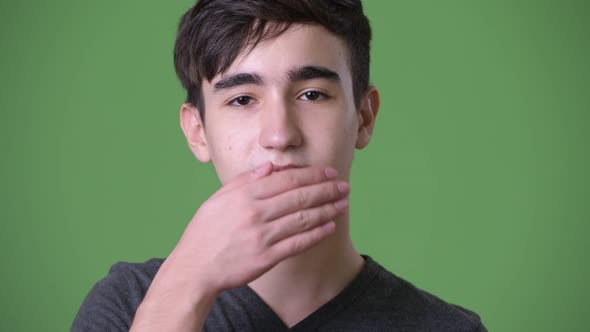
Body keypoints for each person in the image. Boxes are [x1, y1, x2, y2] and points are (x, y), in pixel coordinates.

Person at [72, 0, 487, 331]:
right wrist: (185, 286)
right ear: (197, 131)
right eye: (242, 99)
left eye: (312, 95)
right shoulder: (127, 306)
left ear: (364, 118)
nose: (279, 135)